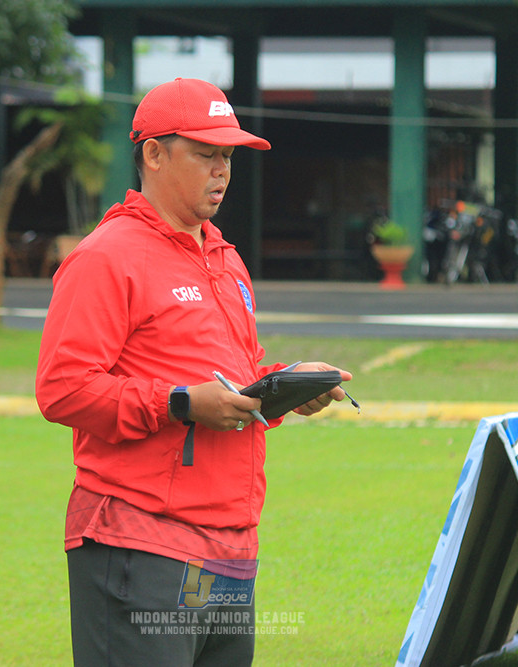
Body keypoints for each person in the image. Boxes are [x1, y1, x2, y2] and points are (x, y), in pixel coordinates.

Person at [35, 77, 353, 666]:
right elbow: (63, 389)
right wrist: (178, 402)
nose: (222, 170)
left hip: (230, 547)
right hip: (139, 542)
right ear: (153, 153)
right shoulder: (108, 256)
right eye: (206, 154)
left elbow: (230, 375)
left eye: (228, 156)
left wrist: (283, 386)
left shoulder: (225, 257)